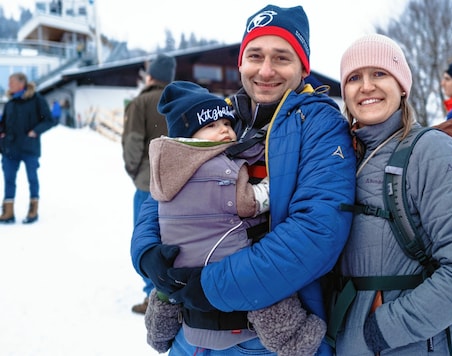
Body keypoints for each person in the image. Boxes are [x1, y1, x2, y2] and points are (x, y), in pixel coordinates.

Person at [130, 4, 356, 355]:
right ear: (241, 62)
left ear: (303, 67)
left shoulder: (319, 126)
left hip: (263, 338)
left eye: (281, 58)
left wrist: (211, 285)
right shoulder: (223, 120)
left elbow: (317, 232)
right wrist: (146, 253)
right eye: (255, 56)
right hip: (189, 336)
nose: (265, 70)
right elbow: (165, 184)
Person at [333, 34, 452, 355]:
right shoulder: (345, 156)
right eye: (354, 78)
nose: (366, 86)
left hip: (411, 345)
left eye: (379, 73)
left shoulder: (433, 152)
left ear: (402, 85)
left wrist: (378, 332)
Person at [144, 80, 326, 355]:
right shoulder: (221, 166)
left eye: (227, 125)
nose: (226, 131)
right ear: (191, 135)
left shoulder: (166, 167)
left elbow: (154, 209)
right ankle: (296, 340)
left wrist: (146, 252)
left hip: (178, 258)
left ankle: (158, 331)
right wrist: (274, 187)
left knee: (168, 291)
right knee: (267, 296)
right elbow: (246, 203)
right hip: (224, 258)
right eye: (212, 126)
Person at [122, 53, 176, 314]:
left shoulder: (141, 102)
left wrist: (134, 171)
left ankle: (152, 296)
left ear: (151, 75)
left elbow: (133, 143)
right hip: (179, 182)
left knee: (146, 238)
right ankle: (171, 290)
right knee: (173, 237)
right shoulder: (179, 101)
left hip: (147, 182)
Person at [0, 72, 57, 224]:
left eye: (11, 82)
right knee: (9, 179)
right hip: (10, 149)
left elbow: (49, 120)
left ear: (22, 83)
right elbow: (3, 123)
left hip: (29, 147)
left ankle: (33, 210)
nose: (9, 85)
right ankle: (8, 212)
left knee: (32, 178)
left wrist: (35, 131)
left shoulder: (36, 99)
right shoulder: (10, 103)